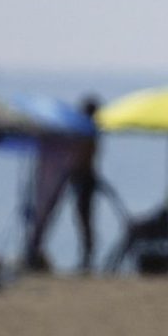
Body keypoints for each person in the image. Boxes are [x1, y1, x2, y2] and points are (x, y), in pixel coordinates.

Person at [69, 95, 100, 273]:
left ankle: (88, 258)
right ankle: (87, 257)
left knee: (84, 220)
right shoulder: (90, 132)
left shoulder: (88, 132)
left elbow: (85, 158)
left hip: (85, 179)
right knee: (84, 220)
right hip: (84, 178)